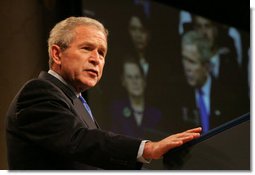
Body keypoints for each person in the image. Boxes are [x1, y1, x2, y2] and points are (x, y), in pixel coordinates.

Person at [5, 16, 201, 170]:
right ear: (57, 54)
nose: (96, 59)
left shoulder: (77, 102)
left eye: (101, 53)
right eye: (87, 48)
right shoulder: (38, 92)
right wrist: (148, 148)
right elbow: (80, 141)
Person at [178, 30, 242, 134]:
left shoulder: (227, 98)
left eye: (192, 62)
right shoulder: (177, 94)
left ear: (207, 66)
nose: (186, 67)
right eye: (184, 59)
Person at [110, 56, 162, 140]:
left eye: (137, 77)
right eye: (130, 77)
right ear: (123, 81)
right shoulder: (116, 109)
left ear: (144, 80)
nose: (134, 82)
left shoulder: (156, 113)